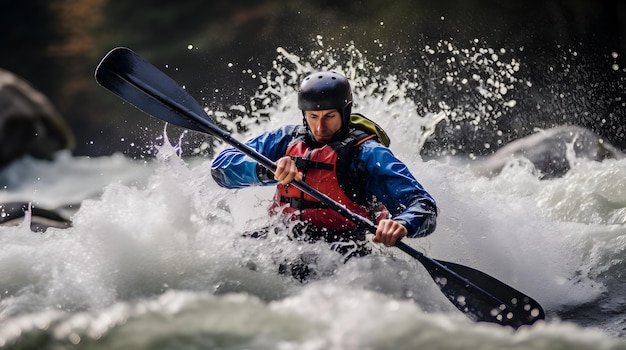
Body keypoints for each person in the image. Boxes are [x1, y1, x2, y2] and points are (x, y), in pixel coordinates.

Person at [211, 70, 437, 278]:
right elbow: (220, 168)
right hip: (282, 240)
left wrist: (403, 224)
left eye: (329, 116)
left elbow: (423, 205)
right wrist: (266, 170)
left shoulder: (368, 155)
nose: (320, 128)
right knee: (227, 261)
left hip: (344, 254)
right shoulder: (285, 140)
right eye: (313, 116)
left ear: (344, 112)